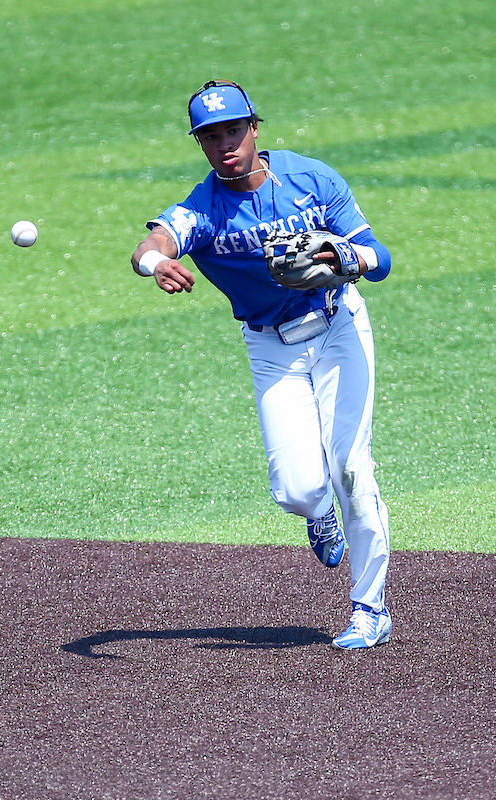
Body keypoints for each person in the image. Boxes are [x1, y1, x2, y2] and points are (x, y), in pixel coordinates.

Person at [129, 80, 395, 649]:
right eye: (210, 135)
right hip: (272, 348)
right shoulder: (203, 208)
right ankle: (317, 512)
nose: (225, 143)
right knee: (297, 490)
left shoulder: (312, 179)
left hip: (340, 327)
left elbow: (380, 259)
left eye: (233, 130)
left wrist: (343, 256)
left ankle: (369, 608)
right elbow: (150, 244)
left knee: (352, 467)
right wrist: (156, 265)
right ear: (200, 142)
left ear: (254, 128)